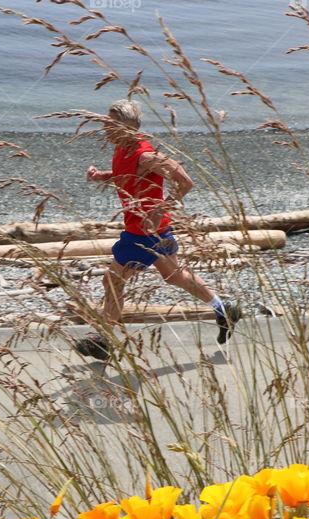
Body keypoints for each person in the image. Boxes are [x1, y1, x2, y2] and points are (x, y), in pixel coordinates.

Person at [74, 99, 242, 361]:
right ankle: (223, 308)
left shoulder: (146, 154)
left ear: (126, 128)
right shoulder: (122, 150)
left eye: (110, 124)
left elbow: (185, 181)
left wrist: (161, 208)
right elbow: (123, 176)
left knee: (113, 279)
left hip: (145, 233)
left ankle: (104, 340)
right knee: (174, 276)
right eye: (105, 123)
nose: (105, 128)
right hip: (150, 230)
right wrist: (101, 176)